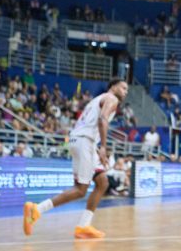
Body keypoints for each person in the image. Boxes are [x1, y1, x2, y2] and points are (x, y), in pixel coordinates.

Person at [22, 78, 129, 239]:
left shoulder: (97, 99)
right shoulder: (111, 98)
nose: (125, 92)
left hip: (79, 140)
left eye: (127, 90)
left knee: (102, 182)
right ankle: (36, 210)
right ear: (113, 87)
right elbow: (102, 119)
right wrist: (103, 146)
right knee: (80, 190)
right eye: (123, 88)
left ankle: (84, 226)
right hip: (85, 141)